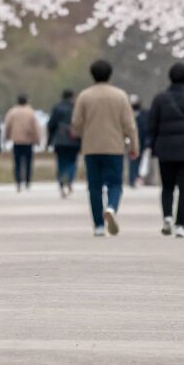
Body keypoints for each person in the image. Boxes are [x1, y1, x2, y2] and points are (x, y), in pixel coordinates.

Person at [71, 59, 139, 236]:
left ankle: (99, 226)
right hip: (114, 147)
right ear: (110, 74)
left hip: (91, 147)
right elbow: (129, 125)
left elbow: (76, 123)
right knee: (115, 183)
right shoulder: (120, 96)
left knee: (94, 186)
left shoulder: (84, 96)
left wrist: (84, 131)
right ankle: (111, 208)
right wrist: (134, 146)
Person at [148, 62, 184, 237]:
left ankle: (167, 216)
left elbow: (152, 125)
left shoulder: (160, 99)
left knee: (167, 187)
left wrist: (152, 145)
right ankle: (180, 225)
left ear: (170, 77)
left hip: (165, 149)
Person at [2, 93, 43, 190]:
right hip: (28, 141)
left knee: (17, 163)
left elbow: (7, 126)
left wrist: (6, 137)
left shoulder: (12, 112)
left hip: (16, 141)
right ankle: (28, 181)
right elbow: (36, 128)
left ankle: (18, 181)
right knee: (28, 162)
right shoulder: (31, 112)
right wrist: (37, 140)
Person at [48, 89, 79, 196]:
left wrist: (49, 141)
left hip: (59, 139)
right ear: (73, 96)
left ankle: (62, 179)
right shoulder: (76, 108)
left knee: (61, 161)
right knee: (72, 161)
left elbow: (51, 125)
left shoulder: (57, 107)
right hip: (74, 139)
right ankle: (69, 179)